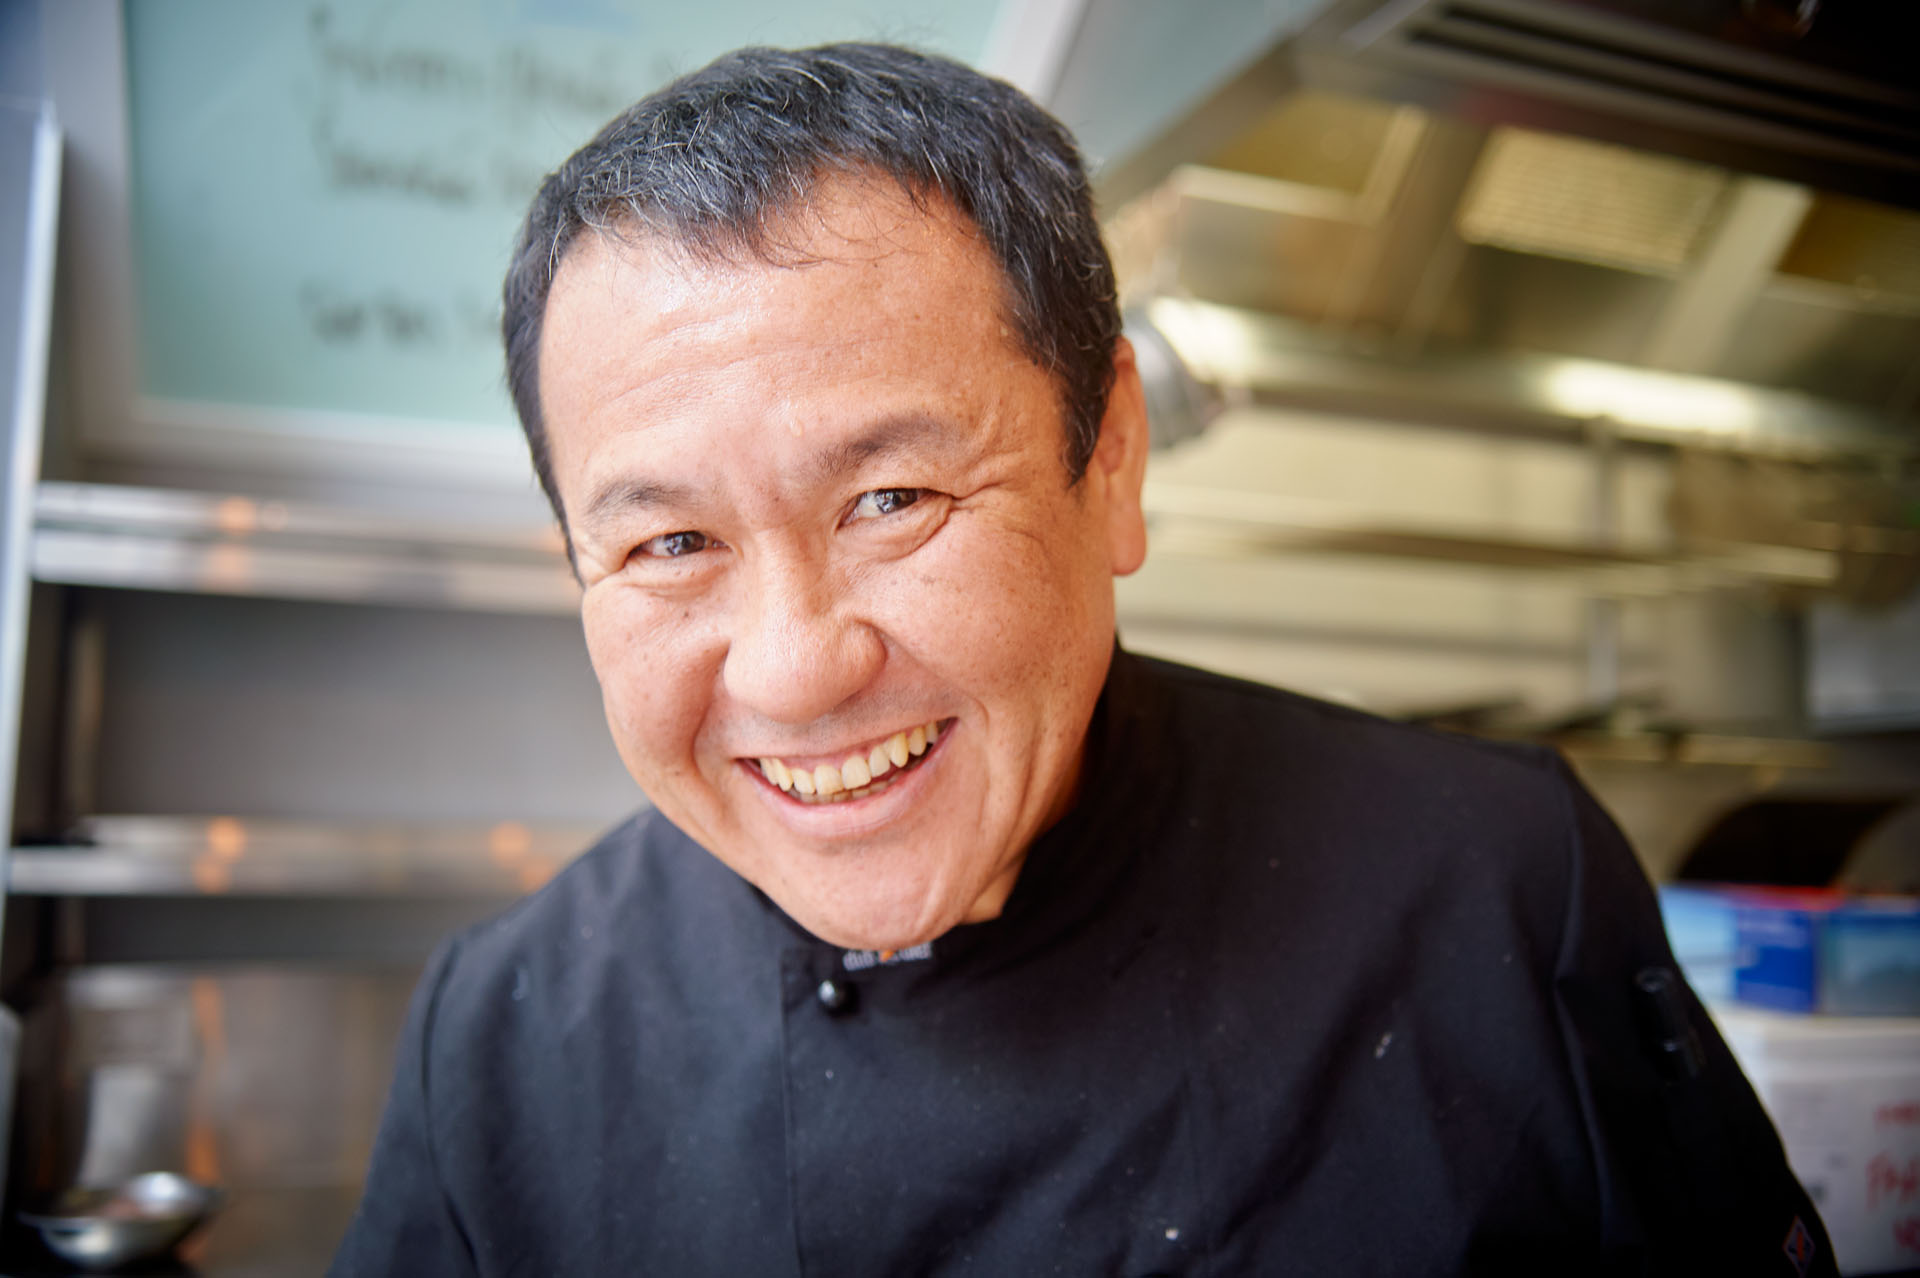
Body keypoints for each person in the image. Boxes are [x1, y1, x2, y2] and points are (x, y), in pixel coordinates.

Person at [331, 43, 1833, 1276]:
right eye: (669, 545)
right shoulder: (505, 1036)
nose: (794, 671)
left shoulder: (1498, 882)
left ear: (1109, 459)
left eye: (892, 500)